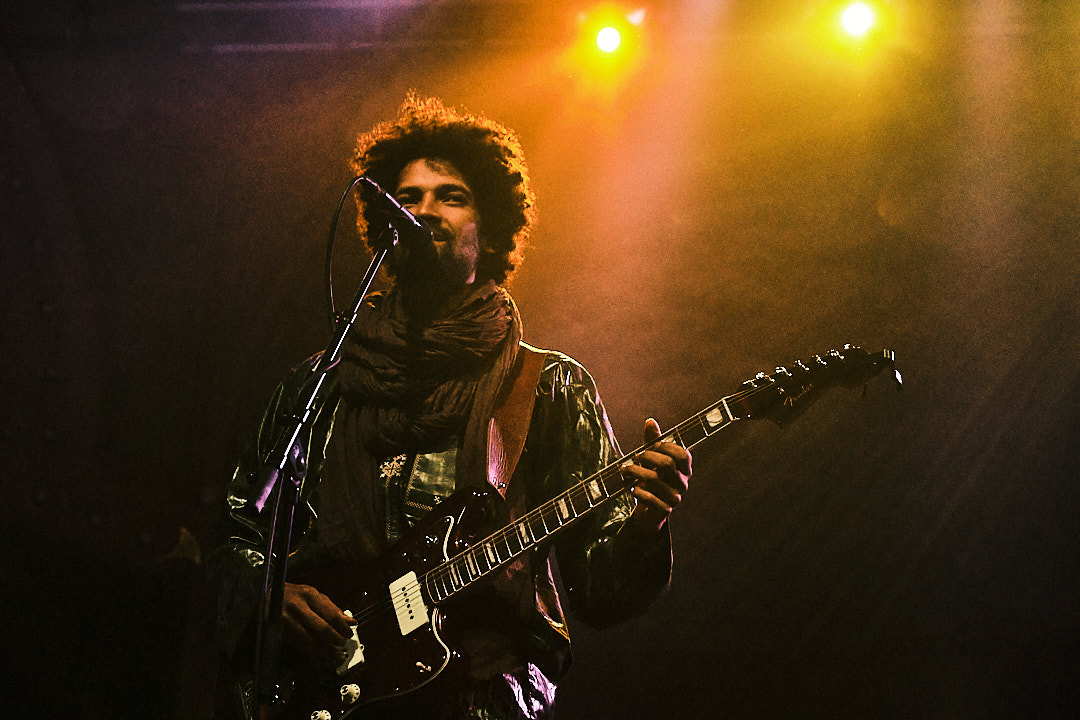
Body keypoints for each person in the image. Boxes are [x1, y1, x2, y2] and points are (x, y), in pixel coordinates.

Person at [208, 94, 692, 720]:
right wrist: (272, 595)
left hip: (478, 695)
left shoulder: (545, 387)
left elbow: (600, 591)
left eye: (451, 196)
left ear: (489, 230)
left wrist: (647, 523)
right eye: (407, 198)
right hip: (327, 691)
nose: (424, 211)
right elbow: (237, 528)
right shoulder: (323, 381)